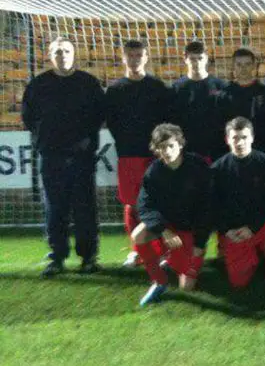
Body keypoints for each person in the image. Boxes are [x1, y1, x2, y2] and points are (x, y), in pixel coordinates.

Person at [21, 37, 105, 277]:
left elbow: (99, 115)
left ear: (74, 54)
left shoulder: (88, 83)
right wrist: (47, 137)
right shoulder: (39, 85)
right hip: (51, 157)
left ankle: (88, 257)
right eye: (58, 52)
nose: (63, 55)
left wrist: (84, 142)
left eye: (67, 51)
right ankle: (56, 257)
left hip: (82, 157)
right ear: (50, 55)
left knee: (84, 208)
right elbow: (28, 117)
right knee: (55, 208)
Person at [105, 39, 171, 268]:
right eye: (130, 56)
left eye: (139, 55)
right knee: (132, 205)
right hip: (128, 156)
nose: (134, 60)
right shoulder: (114, 90)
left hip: (154, 157)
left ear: (146, 57)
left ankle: (163, 251)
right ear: (123, 58)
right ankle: (137, 251)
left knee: (158, 203)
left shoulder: (158, 88)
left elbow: (166, 122)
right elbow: (111, 122)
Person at [132, 124, 211, 306]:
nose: (167, 152)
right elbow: (144, 206)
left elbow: (208, 207)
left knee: (186, 287)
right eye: (161, 147)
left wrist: (200, 243)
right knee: (138, 235)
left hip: (190, 229)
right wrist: (163, 229)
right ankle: (159, 281)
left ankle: (177, 260)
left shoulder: (198, 167)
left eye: (170, 146)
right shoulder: (153, 172)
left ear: (180, 144)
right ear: (156, 149)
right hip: (167, 227)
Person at [210, 117, 265, 290]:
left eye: (244, 137)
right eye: (235, 138)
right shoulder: (217, 169)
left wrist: (253, 227)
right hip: (235, 231)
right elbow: (213, 206)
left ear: (252, 138)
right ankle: (253, 255)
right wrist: (227, 230)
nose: (239, 142)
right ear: (227, 139)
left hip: (261, 226)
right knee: (238, 282)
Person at [217, 47, 265, 161]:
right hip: (232, 157)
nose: (243, 68)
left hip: (263, 156)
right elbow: (219, 131)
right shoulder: (222, 97)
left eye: (247, 64)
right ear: (233, 67)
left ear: (253, 66)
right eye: (239, 65)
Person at [170, 41, 228, 163]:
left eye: (200, 58)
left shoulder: (221, 86)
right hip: (187, 152)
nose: (196, 63)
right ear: (185, 59)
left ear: (206, 59)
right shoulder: (175, 89)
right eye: (192, 59)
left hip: (216, 151)